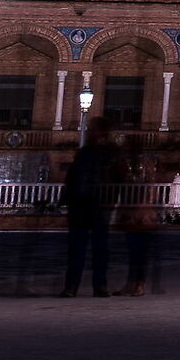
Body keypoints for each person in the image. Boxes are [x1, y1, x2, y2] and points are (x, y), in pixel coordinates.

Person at [61, 123, 117, 297]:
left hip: (96, 204)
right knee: (80, 248)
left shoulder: (108, 155)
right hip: (82, 204)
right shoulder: (85, 153)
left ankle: (93, 286)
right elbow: (72, 178)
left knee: (96, 249)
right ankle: (75, 286)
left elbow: (115, 180)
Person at [113, 145, 161, 296]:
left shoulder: (146, 175)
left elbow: (151, 194)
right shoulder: (129, 176)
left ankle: (140, 283)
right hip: (131, 217)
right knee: (133, 252)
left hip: (143, 218)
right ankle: (131, 283)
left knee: (142, 252)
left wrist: (142, 210)